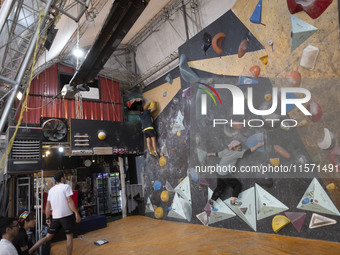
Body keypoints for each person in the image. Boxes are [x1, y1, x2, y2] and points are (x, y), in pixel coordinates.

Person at [29, 172, 81, 255]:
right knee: (69, 238)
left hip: (55, 217)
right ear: (61, 178)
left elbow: (47, 205)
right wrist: (76, 213)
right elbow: (69, 200)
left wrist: (47, 218)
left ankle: (30, 251)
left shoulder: (51, 190)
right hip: (67, 216)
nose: (65, 178)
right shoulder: (66, 187)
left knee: (48, 237)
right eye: (64, 177)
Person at [207, 140, 264, 206]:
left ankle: (211, 200)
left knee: (220, 188)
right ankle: (233, 201)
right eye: (238, 147)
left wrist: (210, 154)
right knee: (237, 185)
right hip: (225, 174)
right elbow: (247, 152)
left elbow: (217, 154)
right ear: (233, 148)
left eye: (240, 146)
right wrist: (257, 146)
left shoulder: (226, 151)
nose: (239, 148)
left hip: (219, 172)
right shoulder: (236, 154)